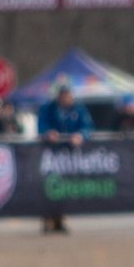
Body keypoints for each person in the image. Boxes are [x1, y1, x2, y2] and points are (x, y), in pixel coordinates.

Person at [37, 81, 93, 233]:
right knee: (49, 185)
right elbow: (41, 125)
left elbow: (87, 126)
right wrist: (48, 132)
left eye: (67, 95)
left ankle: (60, 219)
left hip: (69, 155)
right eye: (63, 95)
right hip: (50, 154)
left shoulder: (78, 109)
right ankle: (47, 218)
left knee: (65, 186)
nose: (65, 98)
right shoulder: (48, 108)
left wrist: (81, 135)